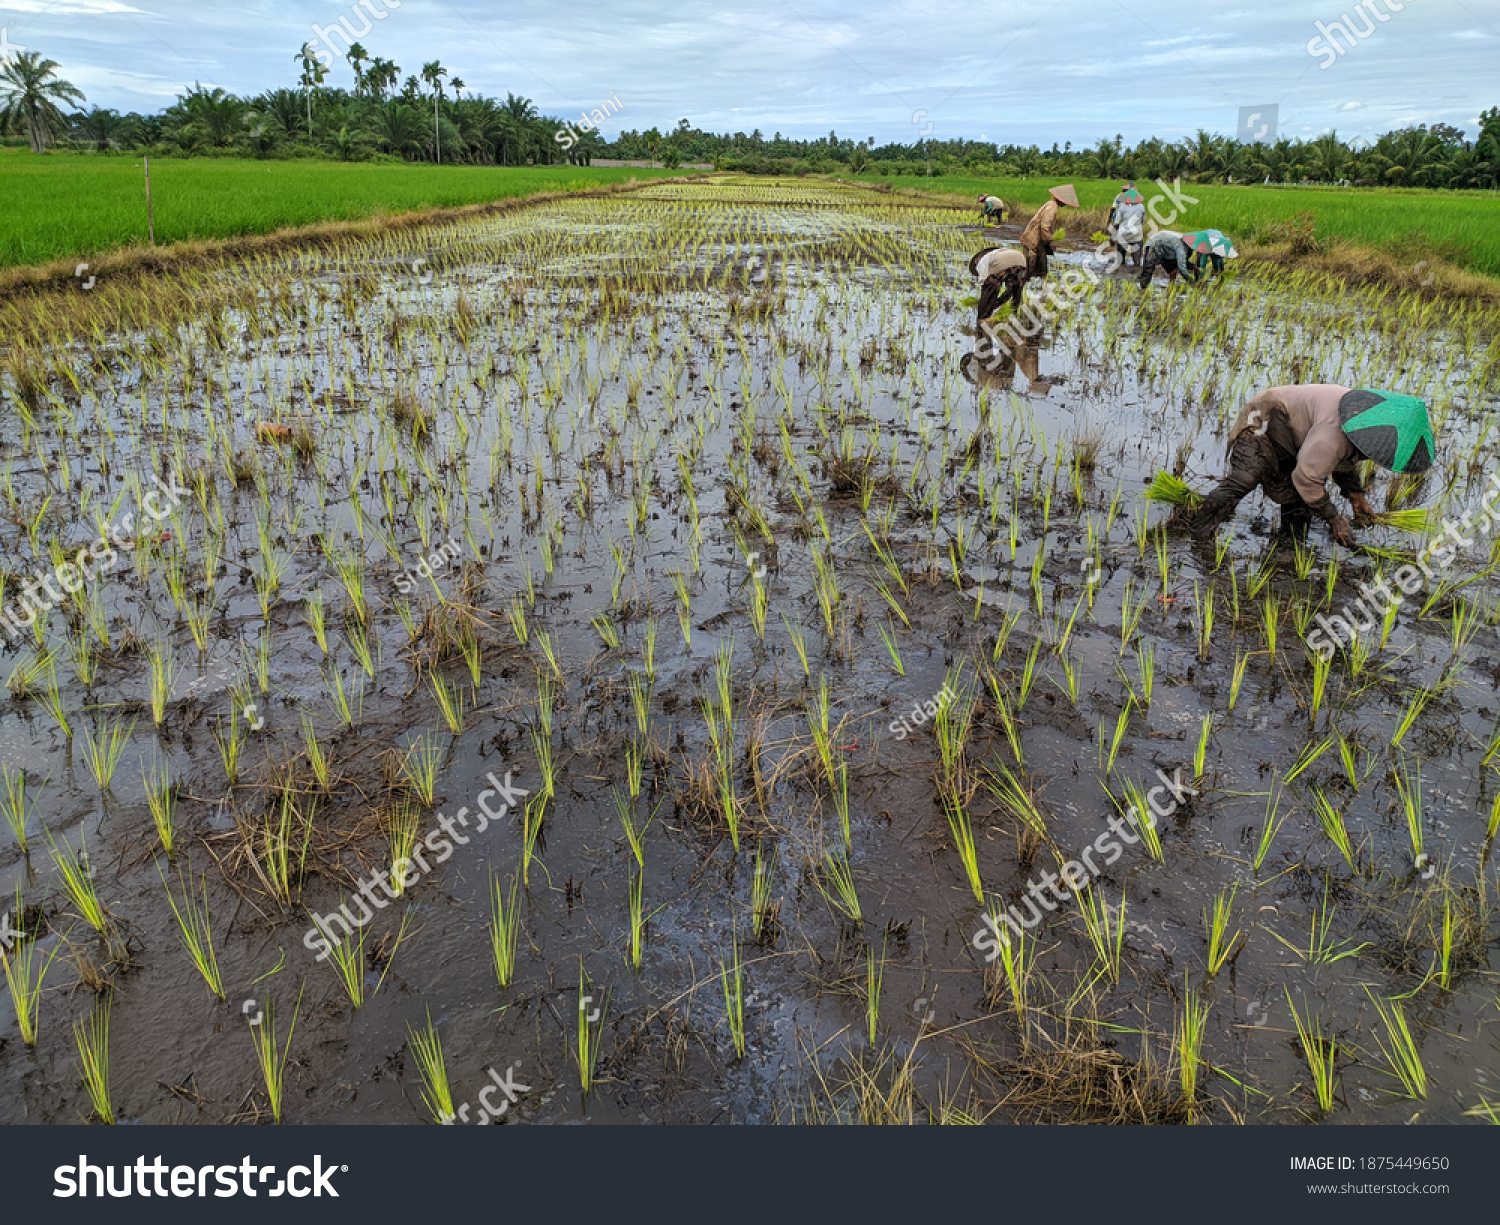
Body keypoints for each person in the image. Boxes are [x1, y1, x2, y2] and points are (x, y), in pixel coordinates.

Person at [1183, 386, 1435, 545]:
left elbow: (1346, 459)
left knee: (1299, 502)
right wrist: (1333, 518)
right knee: (1246, 477)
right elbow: (1307, 478)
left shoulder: (1365, 428)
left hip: (1299, 434)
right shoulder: (1332, 434)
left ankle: (1288, 546)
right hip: (1265, 419)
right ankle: (1200, 529)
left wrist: (1356, 495)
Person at [1019, 184, 1078, 281]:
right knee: (1029, 267)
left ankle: (1040, 289)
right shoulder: (1052, 207)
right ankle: (1023, 288)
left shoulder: (1050, 204)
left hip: (1036, 240)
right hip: (1034, 240)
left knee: (1042, 268)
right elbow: (1044, 226)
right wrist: (1050, 239)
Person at [969, 245, 1028, 326]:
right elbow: (1008, 287)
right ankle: (1013, 316)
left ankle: (982, 320)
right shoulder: (999, 252)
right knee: (1015, 289)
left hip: (1002, 261)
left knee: (990, 289)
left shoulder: (982, 261)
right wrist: (999, 302)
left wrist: (983, 300)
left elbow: (983, 282)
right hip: (1021, 259)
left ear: (976, 260)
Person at [1109, 187, 1146, 269]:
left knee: (1121, 264)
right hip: (1136, 236)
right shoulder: (1141, 207)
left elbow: (1117, 223)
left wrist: (1112, 237)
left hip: (1123, 236)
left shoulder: (1122, 207)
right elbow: (1142, 222)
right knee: (1137, 265)